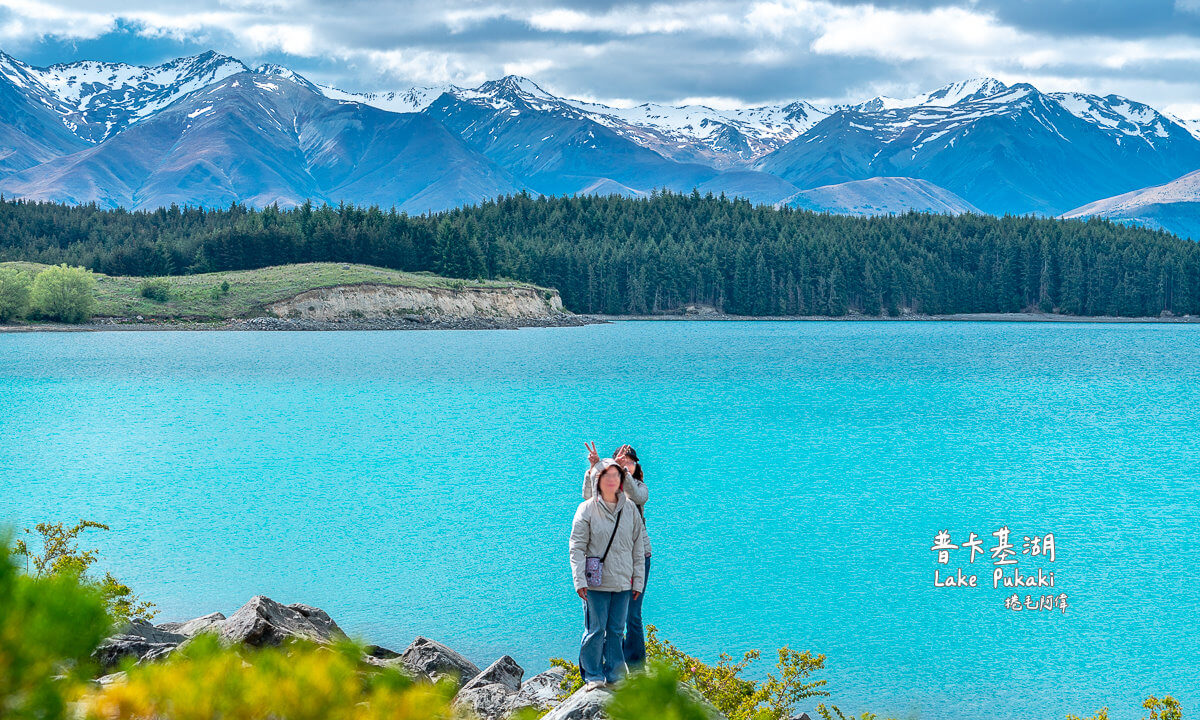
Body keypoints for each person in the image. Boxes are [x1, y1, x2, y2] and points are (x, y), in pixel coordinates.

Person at [570, 457, 646, 690]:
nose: (611, 480)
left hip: (623, 581)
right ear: (597, 480)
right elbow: (577, 546)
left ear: (621, 480)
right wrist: (579, 580)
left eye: (615, 475)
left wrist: (638, 582)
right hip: (596, 583)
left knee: (616, 630)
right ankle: (592, 674)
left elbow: (637, 547)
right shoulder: (587, 509)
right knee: (596, 630)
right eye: (606, 476)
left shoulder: (630, 508)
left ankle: (615, 674)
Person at [583, 442, 651, 668]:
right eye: (622, 461)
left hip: (637, 555)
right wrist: (594, 467)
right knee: (607, 617)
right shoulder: (608, 487)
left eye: (630, 462)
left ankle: (635, 666)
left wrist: (623, 473)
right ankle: (610, 663)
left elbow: (637, 497)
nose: (626, 465)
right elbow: (587, 496)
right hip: (608, 557)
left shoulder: (638, 487)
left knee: (633, 613)